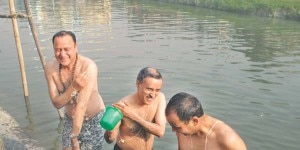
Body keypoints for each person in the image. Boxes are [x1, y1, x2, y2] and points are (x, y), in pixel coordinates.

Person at [44, 30, 106, 150]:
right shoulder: (50, 68)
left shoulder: (88, 66)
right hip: (70, 118)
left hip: (93, 119)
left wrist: (74, 135)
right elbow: (56, 103)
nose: (62, 54)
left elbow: (81, 105)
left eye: (67, 49)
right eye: (58, 49)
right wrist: (74, 87)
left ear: (75, 47)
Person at [104, 67, 167, 150]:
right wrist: (110, 132)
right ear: (138, 84)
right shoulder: (123, 106)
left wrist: (133, 116)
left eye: (157, 90)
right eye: (149, 89)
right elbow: (110, 140)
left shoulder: (159, 98)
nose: (153, 95)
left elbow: (160, 132)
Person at [165, 92, 247, 150]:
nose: (173, 130)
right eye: (172, 125)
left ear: (194, 121)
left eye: (176, 127)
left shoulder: (229, 139)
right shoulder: (182, 132)